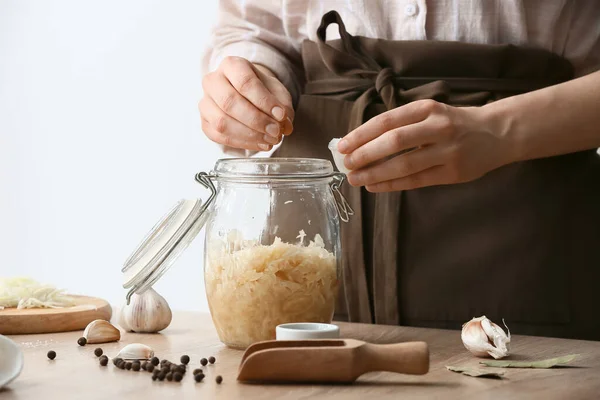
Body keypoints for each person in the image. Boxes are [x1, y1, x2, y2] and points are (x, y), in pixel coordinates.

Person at [200, 1, 600, 340]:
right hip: (318, 216)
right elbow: (254, 25)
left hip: (528, 221)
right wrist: (249, 85)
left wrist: (498, 129)